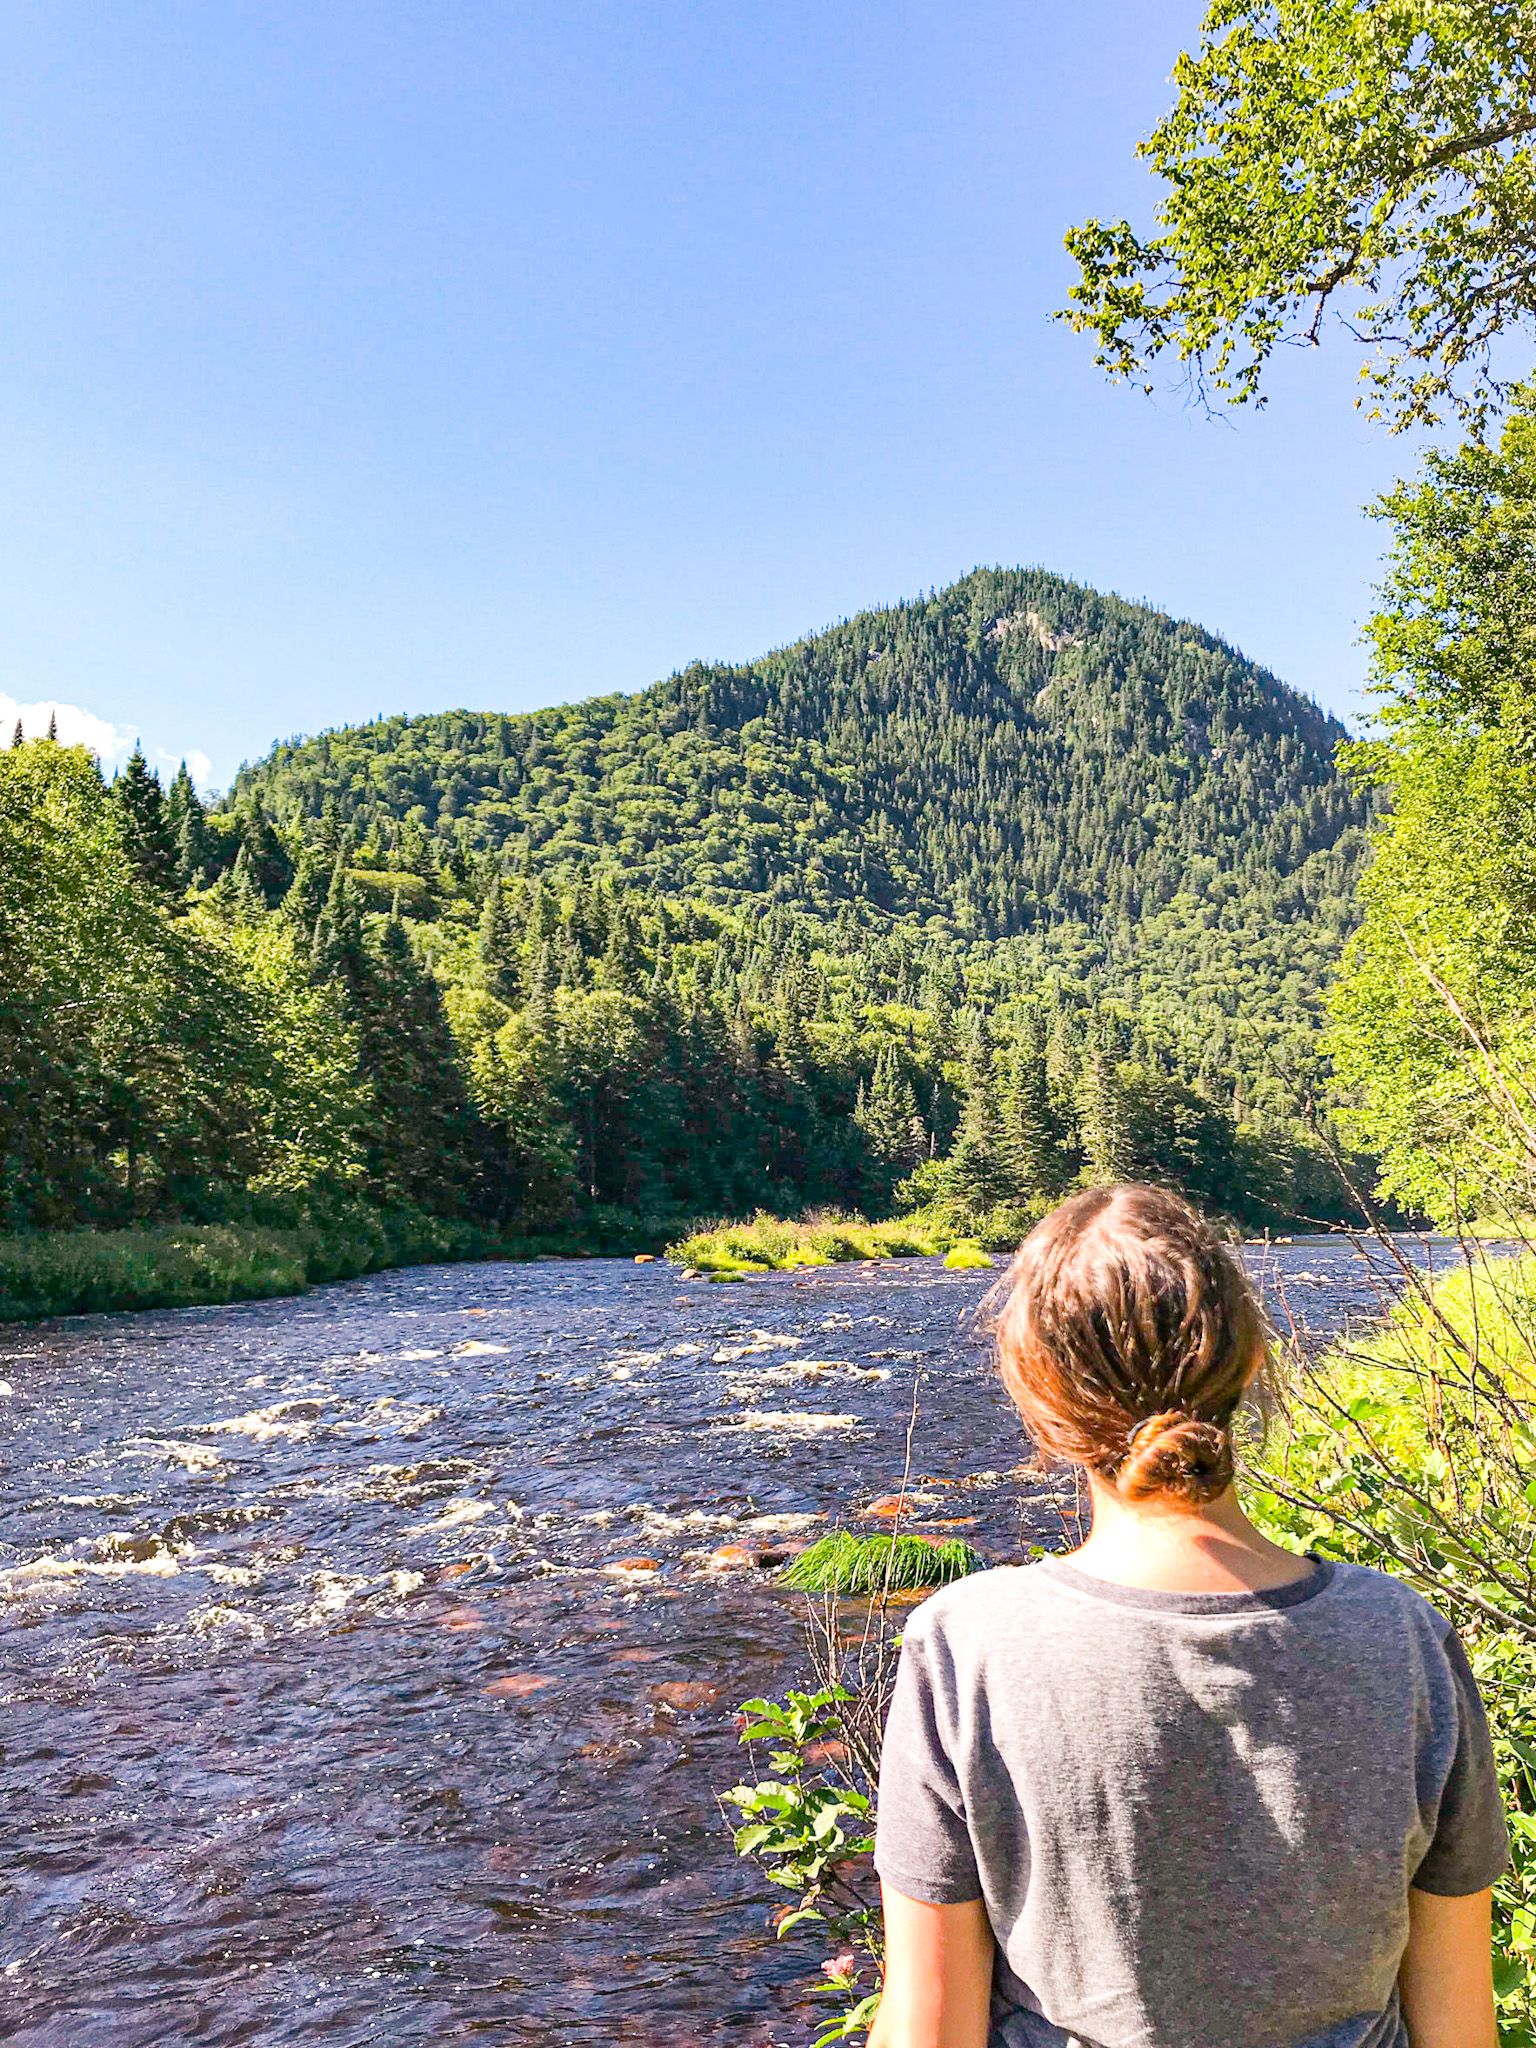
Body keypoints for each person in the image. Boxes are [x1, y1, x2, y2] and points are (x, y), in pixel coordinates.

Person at [868, 1184, 1506, 2048]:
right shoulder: (1402, 1634)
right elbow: (1460, 2023)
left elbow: (929, 2030)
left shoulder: (967, 1645)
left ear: (1038, 1393)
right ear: (1249, 1365)